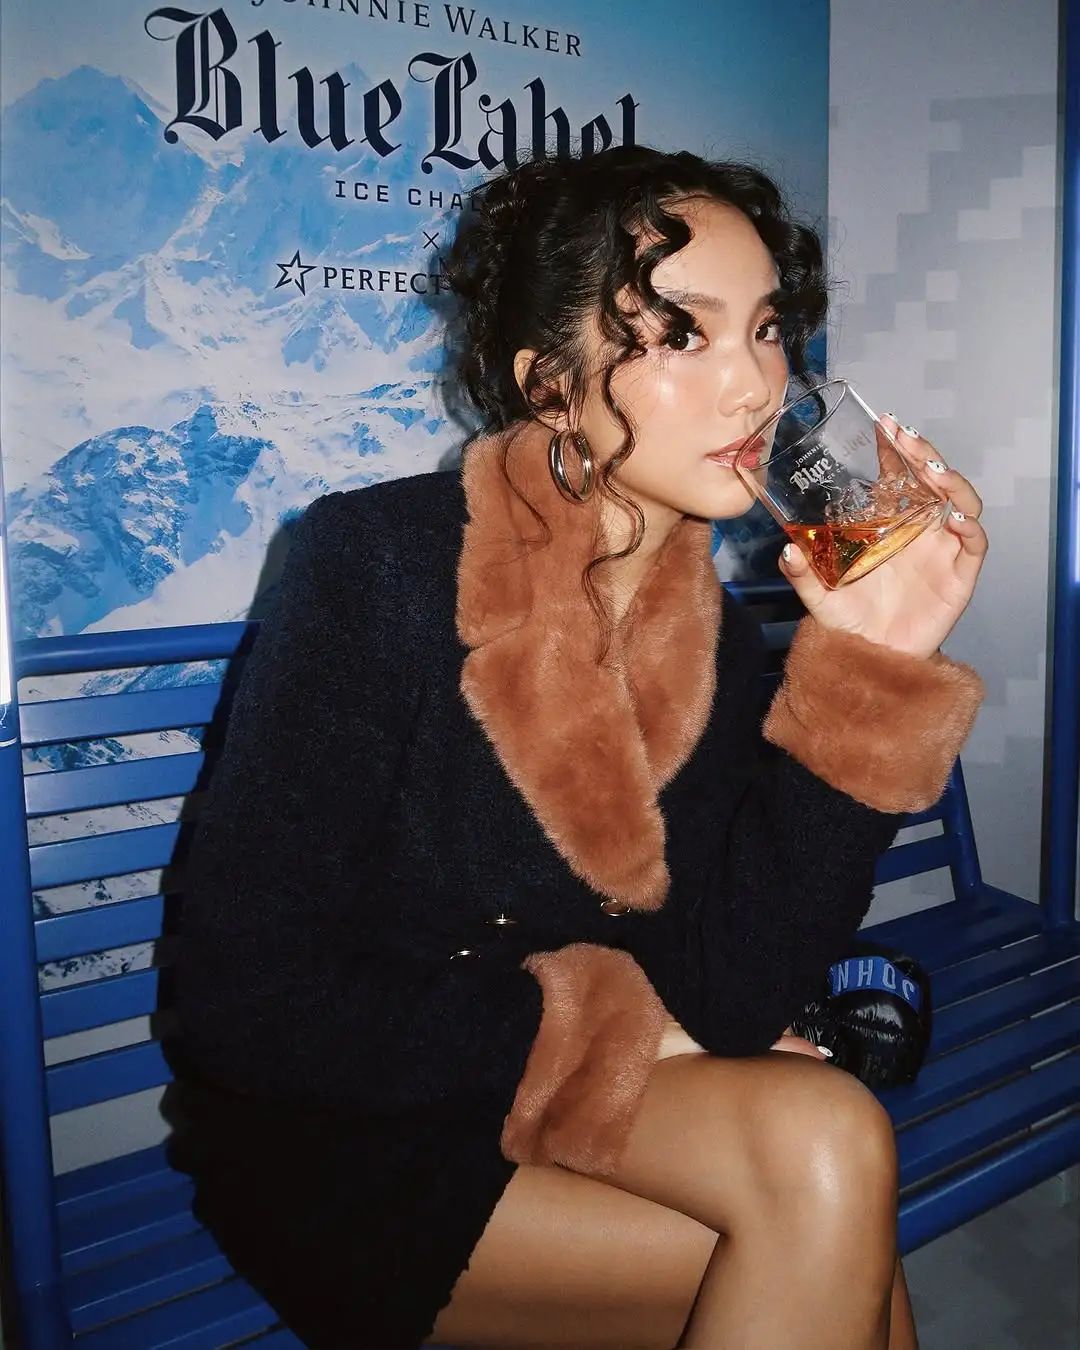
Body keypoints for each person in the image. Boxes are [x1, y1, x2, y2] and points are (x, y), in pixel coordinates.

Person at [165, 146, 988, 1349]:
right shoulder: (380, 566)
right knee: (836, 1217)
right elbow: (244, 1007)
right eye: (682, 333)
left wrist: (876, 665)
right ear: (549, 383)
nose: (756, 386)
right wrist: (612, 1024)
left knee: (832, 1150)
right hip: (345, 1128)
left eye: (768, 330)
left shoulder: (714, 643)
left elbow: (730, 992)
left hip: (565, 1085)